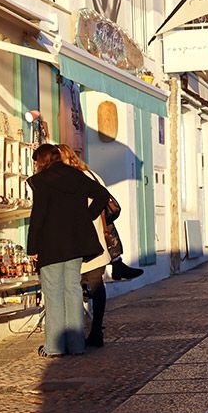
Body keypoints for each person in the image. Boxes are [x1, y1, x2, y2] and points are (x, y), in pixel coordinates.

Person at [27, 144, 109, 357]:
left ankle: (54, 347)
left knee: (53, 293)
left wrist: (32, 247)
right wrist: (86, 217)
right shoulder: (76, 176)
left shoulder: (41, 182)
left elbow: (38, 216)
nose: (35, 165)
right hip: (75, 243)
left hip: (50, 244)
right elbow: (102, 195)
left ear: (42, 161)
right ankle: (77, 345)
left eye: (36, 161)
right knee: (73, 291)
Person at [58, 145, 142, 348]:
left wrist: (84, 218)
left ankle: (82, 332)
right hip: (97, 241)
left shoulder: (75, 178)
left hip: (83, 241)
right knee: (95, 286)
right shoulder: (91, 174)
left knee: (81, 285)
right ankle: (95, 330)